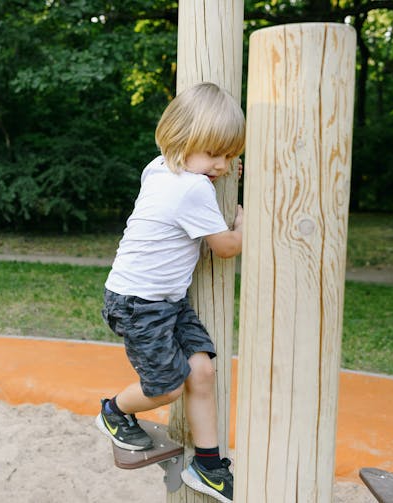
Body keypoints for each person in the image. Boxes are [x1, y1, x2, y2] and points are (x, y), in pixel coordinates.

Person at [95, 82, 244, 503]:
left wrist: (216, 166)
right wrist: (245, 224)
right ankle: (113, 411)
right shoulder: (193, 188)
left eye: (230, 155)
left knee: (202, 371)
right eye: (214, 153)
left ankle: (209, 465)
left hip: (166, 301)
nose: (221, 165)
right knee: (167, 387)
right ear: (182, 141)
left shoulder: (158, 167)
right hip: (139, 304)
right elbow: (226, 248)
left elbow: (194, 174)